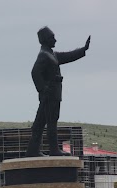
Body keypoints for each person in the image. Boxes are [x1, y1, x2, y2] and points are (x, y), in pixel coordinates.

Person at [26, 26, 91, 157]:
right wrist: (43, 89)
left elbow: (68, 56)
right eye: (52, 37)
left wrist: (83, 50)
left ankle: (33, 151)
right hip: (50, 95)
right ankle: (54, 150)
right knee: (51, 122)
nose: (55, 39)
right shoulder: (44, 55)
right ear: (45, 40)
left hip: (52, 94)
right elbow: (34, 72)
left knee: (40, 123)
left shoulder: (51, 54)